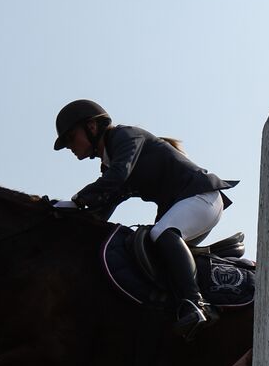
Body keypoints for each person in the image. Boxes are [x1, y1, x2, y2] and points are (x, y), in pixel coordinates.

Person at [52, 99, 237, 340]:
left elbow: (118, 177)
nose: (69, 146)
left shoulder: (125, 136)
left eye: (70, 138)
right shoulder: (109, 162)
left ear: (92, 127)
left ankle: (197, 304)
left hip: (203, 198)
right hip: (184, 205)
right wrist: (61, 215)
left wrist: (76, 200)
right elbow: (100, 213)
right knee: (149, 248)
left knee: (159, 234)